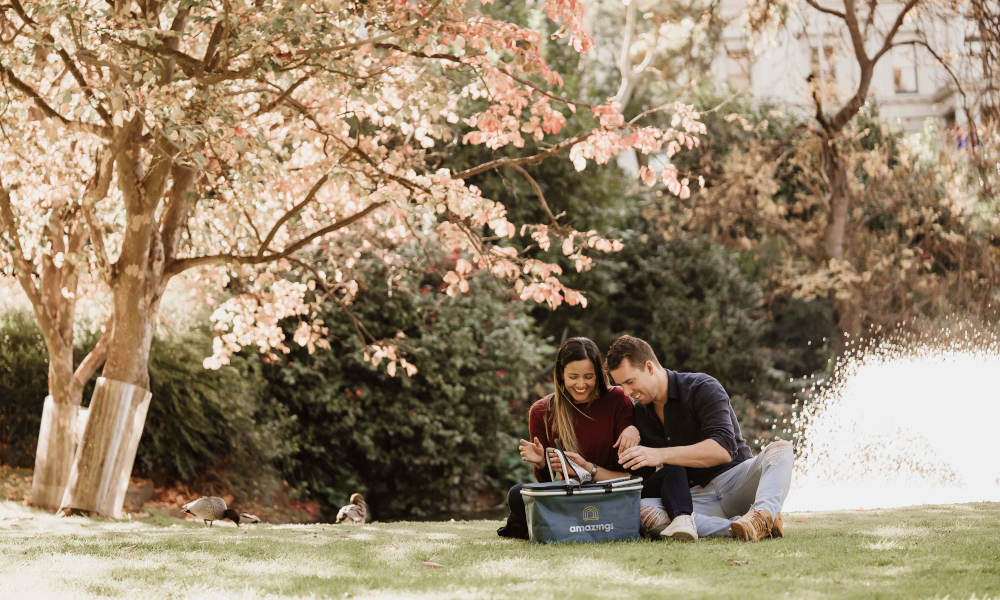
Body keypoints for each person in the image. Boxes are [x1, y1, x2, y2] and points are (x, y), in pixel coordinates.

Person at [607, 335, 794, 541]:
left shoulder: (702, 387)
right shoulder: (642, 414)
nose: (626, 392)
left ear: (650, 368)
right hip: (695, 498)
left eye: (630, 382)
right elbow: (643, 481)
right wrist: (629, 430)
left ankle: (762, 514)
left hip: (735, 482)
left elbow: (722, 450)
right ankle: (738, 528)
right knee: (642, 510)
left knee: (780, 449)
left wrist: (659, 454)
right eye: (621, 385)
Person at [497, 337, 684, 539]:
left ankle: (571, 525)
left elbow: (636, 477)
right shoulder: (541, 411)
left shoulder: (618, 400)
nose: (581, 384)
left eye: (588, 376)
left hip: (617, 492)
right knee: (518, 494)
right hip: (575, 496)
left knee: (663, 478)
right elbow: (547, 485)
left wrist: (631, 430)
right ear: (560, 376)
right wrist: (543, 463)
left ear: (599, 374)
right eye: (573, 376)